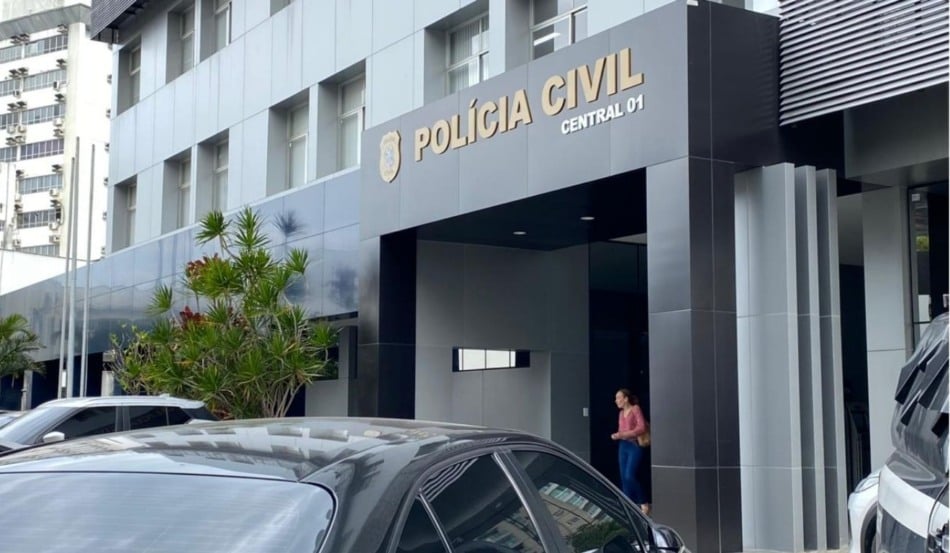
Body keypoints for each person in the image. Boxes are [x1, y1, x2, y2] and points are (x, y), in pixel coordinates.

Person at [611, 388, 650, 516]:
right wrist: (618, 435)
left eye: (618, 398)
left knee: (629, 475)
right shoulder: (621, 413)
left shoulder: (635, 409)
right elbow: (621, 430)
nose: (616, 400)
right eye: (616, 398)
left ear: (626, 399)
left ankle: (643, 502)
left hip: (634, 445)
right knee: (624, 478)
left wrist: (623, 434)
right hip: (623, 446)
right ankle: (628, 507)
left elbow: (641, 427)